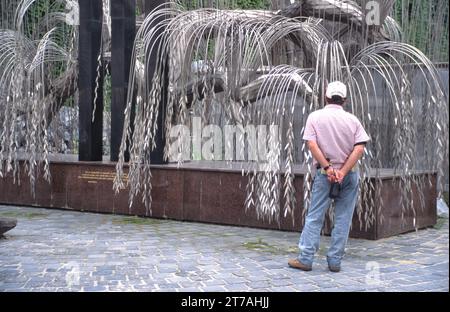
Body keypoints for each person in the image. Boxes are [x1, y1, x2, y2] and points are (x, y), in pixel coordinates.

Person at [288, 81, 370, 273]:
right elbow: (359, 148)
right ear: (345, 100)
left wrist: (328, 168)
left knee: (315, 216)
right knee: (343, 218)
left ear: (325, 97)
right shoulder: (353, 120)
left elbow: (312, 145)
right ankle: (334, 262)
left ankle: (306, 259)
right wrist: (342, 171)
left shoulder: (315, 117)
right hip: (349, 176)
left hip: (325, 175)